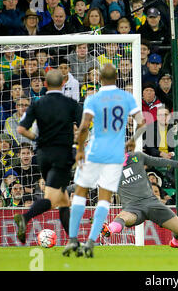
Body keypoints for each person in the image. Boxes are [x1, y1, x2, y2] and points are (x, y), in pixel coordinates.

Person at [62, 63, 146, 258]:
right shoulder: (127, 97)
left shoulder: (93, 98)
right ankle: (91, 241)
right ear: (116, 78)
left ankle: (73, 239)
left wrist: (80, 149)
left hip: (95, 151)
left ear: (99, 79)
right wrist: (132, 140)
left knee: (81, 192)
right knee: (104, 198)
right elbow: (142, 123)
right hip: (116, 154)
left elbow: (83, 128)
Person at [13, 69, 83, 244]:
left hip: (42, 155)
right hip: (62, 155)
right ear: (63, 84)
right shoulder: (71, 103)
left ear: (45, 84)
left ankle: (73, 240)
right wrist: (79, 144)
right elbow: (83, 128)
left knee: (64, 199)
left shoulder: (37, 104)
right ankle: (25, 217)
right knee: (52, 199)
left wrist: (36, 138)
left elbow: (21, 129)